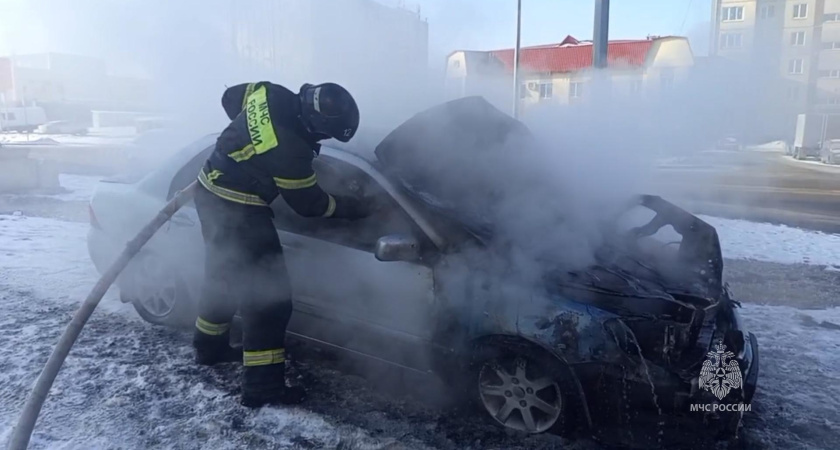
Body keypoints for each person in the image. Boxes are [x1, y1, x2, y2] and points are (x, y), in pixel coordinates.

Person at [192, 81, 371, 407]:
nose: (323, 141)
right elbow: (310, 205)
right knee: (268, 302)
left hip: (209, 190)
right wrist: (355, 208)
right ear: (316, 124)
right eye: (326, 135)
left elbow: (230, 97)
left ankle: (209, 347)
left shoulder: (269, 92)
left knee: (222, 274)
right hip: (239, 209)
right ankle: (262, 388)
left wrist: (247, 142)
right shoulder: (290, 150)